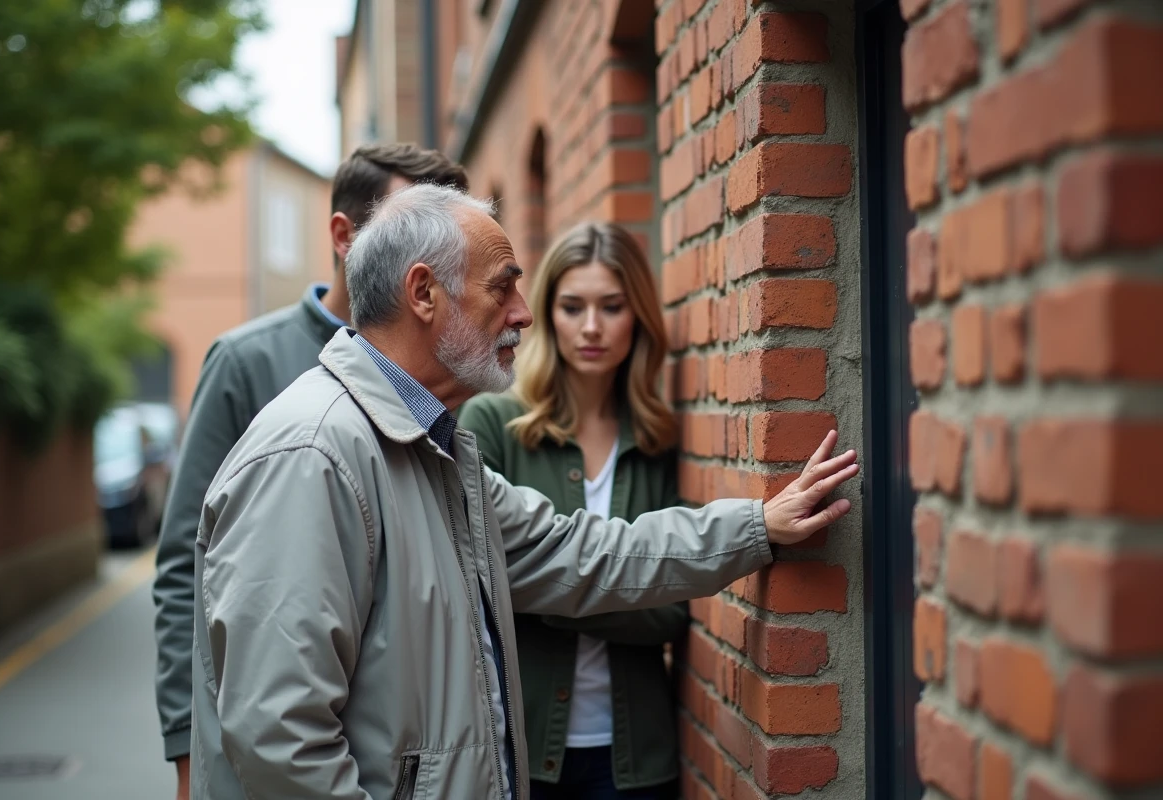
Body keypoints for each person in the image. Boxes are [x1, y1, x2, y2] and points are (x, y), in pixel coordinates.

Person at [190, 184, 858, 800]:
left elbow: (579, 552)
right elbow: (282, 742)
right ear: (424, 293)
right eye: (502, 288)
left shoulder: (431, 450)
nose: (524, 314)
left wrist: (758, 525)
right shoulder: (312, 455)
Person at [151, 144, 469, 799]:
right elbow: (188, 561)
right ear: (343, 236)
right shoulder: (245, 361)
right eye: (414, 228)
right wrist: (186, 744)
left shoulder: (443, 365)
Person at [459, 222, 685, 800]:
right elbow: (486, 584)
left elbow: (671, 611)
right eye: (571, 307)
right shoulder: (493, 423)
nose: (590, 327)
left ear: (638, 316)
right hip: (521, 751)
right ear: (546, 314)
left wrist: (553, 586)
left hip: (636, 761)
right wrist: (626, 584)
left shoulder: (657, 438)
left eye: (611, 306)